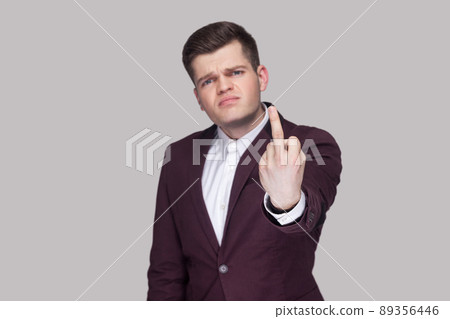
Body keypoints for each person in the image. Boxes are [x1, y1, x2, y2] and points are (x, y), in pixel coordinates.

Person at [146, 21, 342, 301]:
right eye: (208, 81)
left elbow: (311, 210)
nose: (224, 87)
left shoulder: (309, 143)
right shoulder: (177, 158)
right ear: (199, 98)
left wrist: (287, 201)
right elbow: (166, 269)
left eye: (235, 72)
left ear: (261, 77)